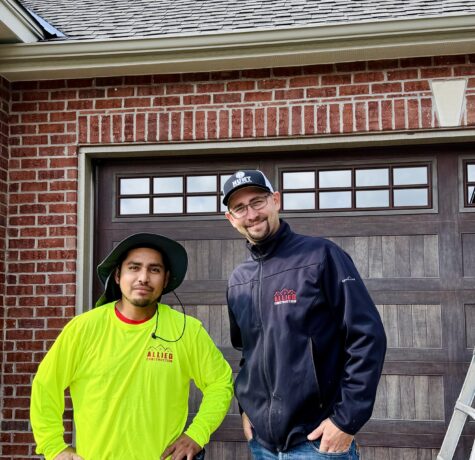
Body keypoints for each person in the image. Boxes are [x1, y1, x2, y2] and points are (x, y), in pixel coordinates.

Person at [222, 170, 387, 459]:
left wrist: (345, 421)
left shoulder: (321, 256)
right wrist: (246, 409)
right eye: (240, 207)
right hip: (263, 446)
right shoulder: (238, 280)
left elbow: (366, 337)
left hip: (317, 443)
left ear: (276, 201)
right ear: (231, 218)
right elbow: (249, 353)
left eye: (258, 201)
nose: (251, 214)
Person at [30, 233, 233, 460]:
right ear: (118, 275)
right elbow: (46, 385)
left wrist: (197, 434)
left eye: (154, 270)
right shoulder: (83, 328)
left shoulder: (187, 329)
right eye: (134, 268)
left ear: (166, 279)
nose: (143, 278)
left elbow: (220, 382)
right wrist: (54, 446)